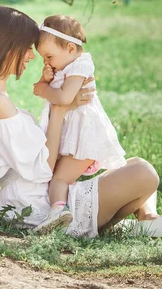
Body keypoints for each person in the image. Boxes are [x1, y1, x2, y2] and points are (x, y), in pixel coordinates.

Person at [0, 6, 162, 238]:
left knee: (136, 164)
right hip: (41, 205)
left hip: (35, 193)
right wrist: (61, 109)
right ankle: (142, 222)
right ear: (7, 48)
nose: (31, 56)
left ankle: (148, 220)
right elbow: (43, 168)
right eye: (26, 48)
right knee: (145, 174)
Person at [32, 15, 127, 233]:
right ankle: (68, 210)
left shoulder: (81, 65)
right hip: (69, 134)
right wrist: (45, 79)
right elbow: (45, 90)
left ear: (70, 49)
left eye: (49, 56)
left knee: (59, 179)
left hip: (84, 136)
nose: (46, 62)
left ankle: (58, 212)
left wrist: (45, 89)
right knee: (58, 177)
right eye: (42, 58)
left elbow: (65, 98)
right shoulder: (63, 64)